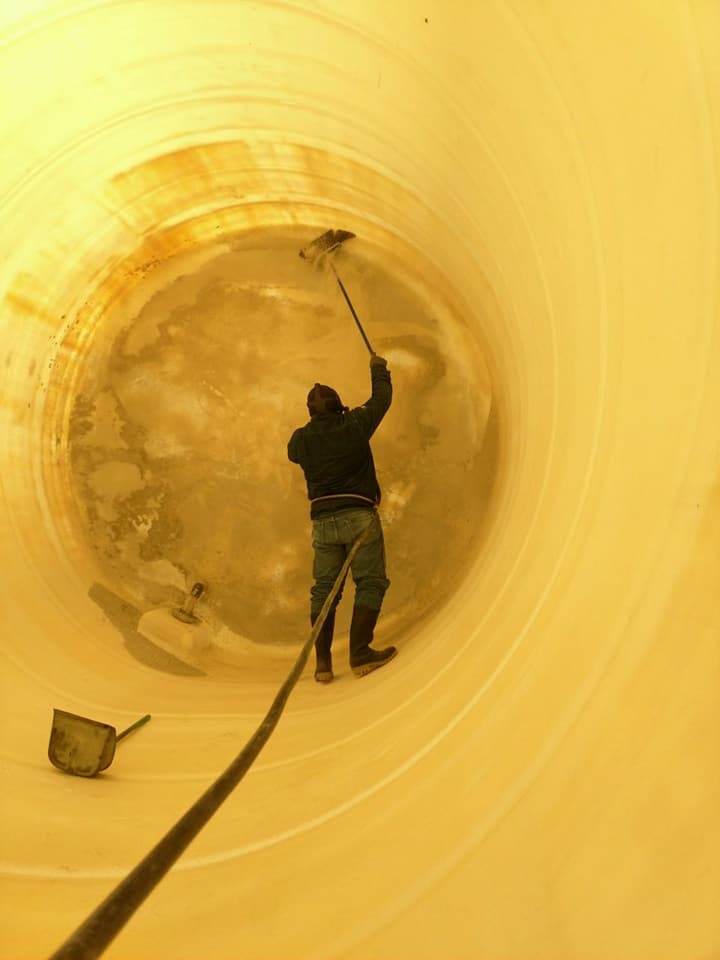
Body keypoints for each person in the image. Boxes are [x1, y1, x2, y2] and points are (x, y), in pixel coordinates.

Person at [287, 354, 397, 683]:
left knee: (324, 591)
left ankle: (323, 664)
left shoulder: (300, 439)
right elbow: (382, 399)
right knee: (371, 582)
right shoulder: (355, 424)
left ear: (311, 412)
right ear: (340, 406)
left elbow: (293, 452)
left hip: (323, 524)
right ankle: (360, 652)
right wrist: (378, 369)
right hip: (359, 515)